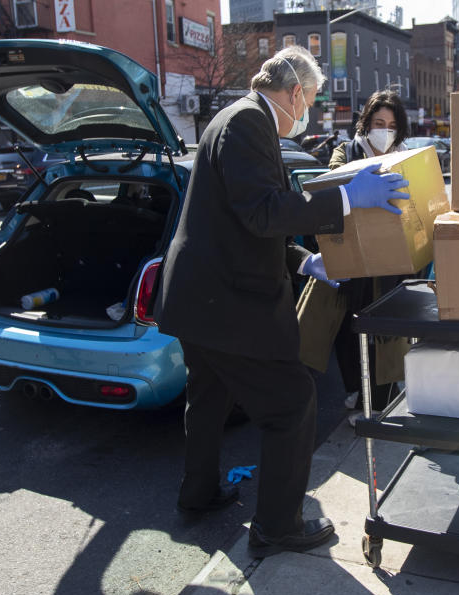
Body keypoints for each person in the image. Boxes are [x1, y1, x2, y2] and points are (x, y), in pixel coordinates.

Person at [154, 46, 409, 558]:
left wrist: (302, 261)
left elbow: (241, 221)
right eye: (311, 99)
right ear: (296, 92)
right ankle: (275, 526)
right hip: (227, 303)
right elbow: (265, 213)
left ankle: (198, 492)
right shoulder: (250, 124)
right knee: (292, 403)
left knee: (206, 399)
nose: (309, 109)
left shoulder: (232, 119)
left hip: (198, 298)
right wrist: (344, 198)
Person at [326, 90, 411, 415]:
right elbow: (333, 184)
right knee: (351, 332)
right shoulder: (346, 152)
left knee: (388, 334)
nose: (385, 131)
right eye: (379, 123)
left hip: (394, 264)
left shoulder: (406, 158)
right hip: (356, 262)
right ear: (366, 123)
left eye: (391, 125)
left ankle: (379, 398)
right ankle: (359, 393)